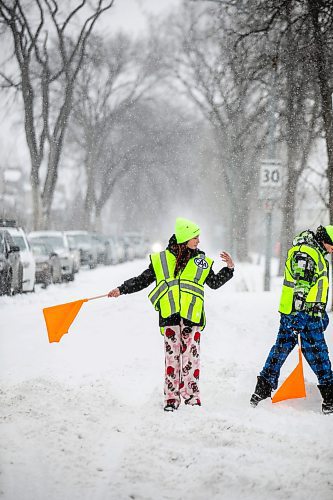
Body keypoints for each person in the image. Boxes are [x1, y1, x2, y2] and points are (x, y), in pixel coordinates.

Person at [108, 217, 234, 411]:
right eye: (195, 237)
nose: (198, 241)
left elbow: (214, 283)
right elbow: (143, 280)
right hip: (170, 317)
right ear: (185, 238)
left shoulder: (201, 261)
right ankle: (171, 399)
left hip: (192, 318)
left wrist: (229, 268)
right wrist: (121, 289)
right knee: (172, 359)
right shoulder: (161, 260)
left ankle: (191, 397)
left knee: (191, 359)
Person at [250, 225, 333, 414]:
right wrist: (300, 316)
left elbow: (314, 286)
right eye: (332, 245)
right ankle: (330, 398)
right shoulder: (307, 253)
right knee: (314, 354)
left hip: (304, 313)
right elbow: (302, 287)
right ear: (324, 240)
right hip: (300, 314)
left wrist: (320, 311)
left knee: (285, 350)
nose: (332, 249)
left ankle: (261, 391)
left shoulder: (312, 251)